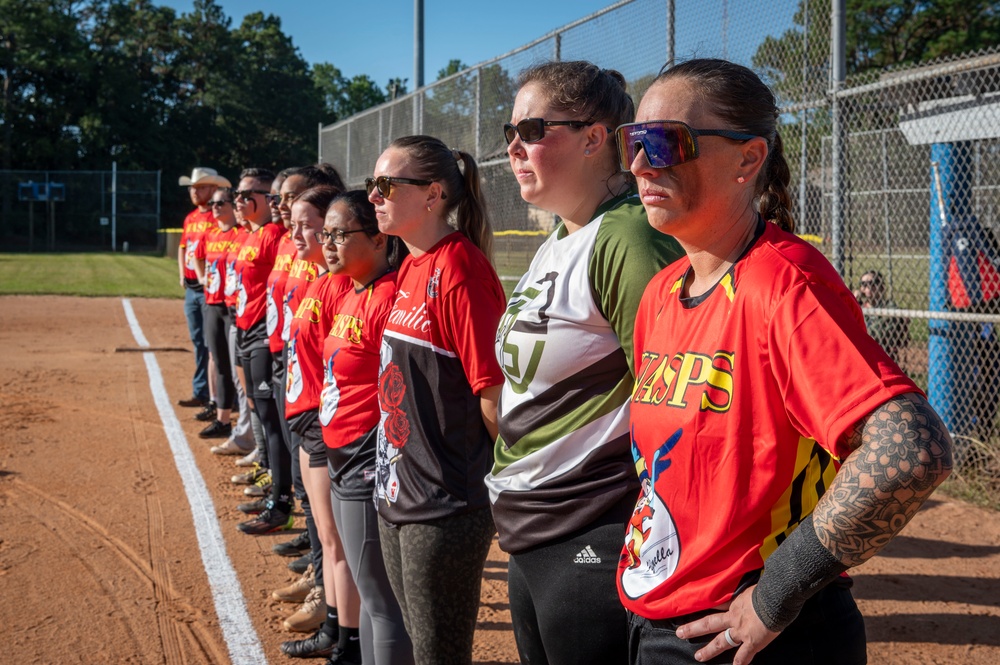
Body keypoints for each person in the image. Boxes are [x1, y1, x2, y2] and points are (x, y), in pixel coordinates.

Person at [617, 58, 953, 665]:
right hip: (659, 618)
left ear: (748, 160)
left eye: (665, 142)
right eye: (633, 142)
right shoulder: (661, 292)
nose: (641, 164)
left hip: (753, 638)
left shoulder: (783, 282)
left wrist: (775, 595)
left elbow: (911, 448)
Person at [484, 61, 683, 665]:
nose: (515, 146)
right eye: (509, 132)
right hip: (531, 527)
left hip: (591, 527)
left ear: (596, 138)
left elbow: (672, 395)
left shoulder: (628, 238)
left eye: (534, 129)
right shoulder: (560, 240)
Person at [369, 135, 505, 665]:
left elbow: (492, 396)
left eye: (385, 185)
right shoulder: (409, 265)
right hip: (398, 488)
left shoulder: (460, 268)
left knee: (437, 655)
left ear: (432, 195)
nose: (374, 196)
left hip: (445, 502)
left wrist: (513, 493)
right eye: (371, 185)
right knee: (417, 641)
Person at [297, 190, 414, 665]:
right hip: (343, 455)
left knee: (381, 602)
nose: (328, 244)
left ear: (380, 238)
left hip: (370, 460)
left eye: (341, 234)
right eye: (326, 234)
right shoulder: (352, 292)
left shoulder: (387, 296)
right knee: (368, 596)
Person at [231, 167, 295, 535]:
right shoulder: (260, 235)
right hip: (253, 331)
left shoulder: (275, 235)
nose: (240, 202)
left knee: (274, 420)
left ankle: (280, 499)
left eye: (246, 195)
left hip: (268, 337)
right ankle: (275, 486)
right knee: (261, 411)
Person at [177, 167, 230, 409]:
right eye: (192, 187)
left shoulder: (219, 216)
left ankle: (218, 396)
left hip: (212, 290)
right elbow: (183, 248)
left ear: (212, 189)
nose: (193, 191)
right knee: (199, 341)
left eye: (199, 187)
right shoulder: (190, 218)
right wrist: (182, 274)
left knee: (213, 345)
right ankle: (202, 391)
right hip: (192, 287)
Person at [194, 187, 244, 441]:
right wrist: (202, 277)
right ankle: (223, 419)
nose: (215, 206)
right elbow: (197, 257)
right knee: (220, 362)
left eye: (221, 202)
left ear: (232, 205)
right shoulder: (210, 233)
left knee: (238, 367)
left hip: (233, 305)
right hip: (213, 304)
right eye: (213, 203)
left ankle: (244, 422)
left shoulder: (241, 233)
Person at [853, 270, 909, 364]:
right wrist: (853, 300)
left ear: (881, 287)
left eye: (872, 283)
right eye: (863, 284)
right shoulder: (858, 306)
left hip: (882, 356)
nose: (867, 287)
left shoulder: (889, 308)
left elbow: (877, 335)